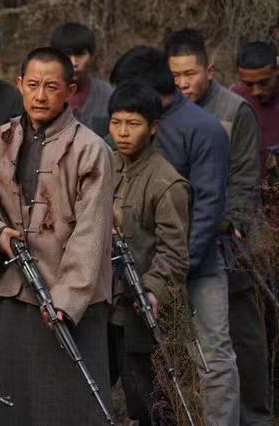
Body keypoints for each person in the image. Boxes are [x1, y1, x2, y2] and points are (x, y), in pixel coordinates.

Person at [0, 46, 113, 425]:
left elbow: (91, 232)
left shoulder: (91, 150)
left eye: (51, 87)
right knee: (11, 402)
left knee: (69, 406)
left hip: (69, 302)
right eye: (33, 85)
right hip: (13, 292)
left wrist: (67, 300)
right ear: (20, 84)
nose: (40, 96)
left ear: (70, 90)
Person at [110, 46, 237, 425]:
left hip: (195, 265)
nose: (123, 129)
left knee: (212, 357)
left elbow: (209, 206)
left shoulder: (202, 128)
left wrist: (172, 277)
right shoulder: (124, 134)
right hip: (143, 274)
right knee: (145, 369)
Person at [165, 28, 270, 425]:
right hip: (183, 238)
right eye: (175, 75)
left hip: (230, 240)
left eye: (190, 74)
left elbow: (245, 180)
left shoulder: (233, 110)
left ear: (208, 71)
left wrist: (230, 220)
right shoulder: (165, 111)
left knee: (242, 336)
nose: (182, 83)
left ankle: (254, 417)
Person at [108, 81, 191, 424]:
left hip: (141, 312)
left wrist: (153, 289)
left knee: (148, 404)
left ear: (153, 127)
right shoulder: (103, 165)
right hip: (101, 306)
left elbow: (175, 254)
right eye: (116, 122)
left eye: (133, 123)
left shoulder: (166, 182)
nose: (123, 132)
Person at [49, 22, 114, 137]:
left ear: (92, 56)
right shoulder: (41, 95)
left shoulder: (108, 94)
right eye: (67, 55)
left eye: (80, 55)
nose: (74, 63)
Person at [232, 41, 279, 173]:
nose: (256, 91)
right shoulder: (234, 102)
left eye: (264, 82)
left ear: (276, 71)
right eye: (249, 84)